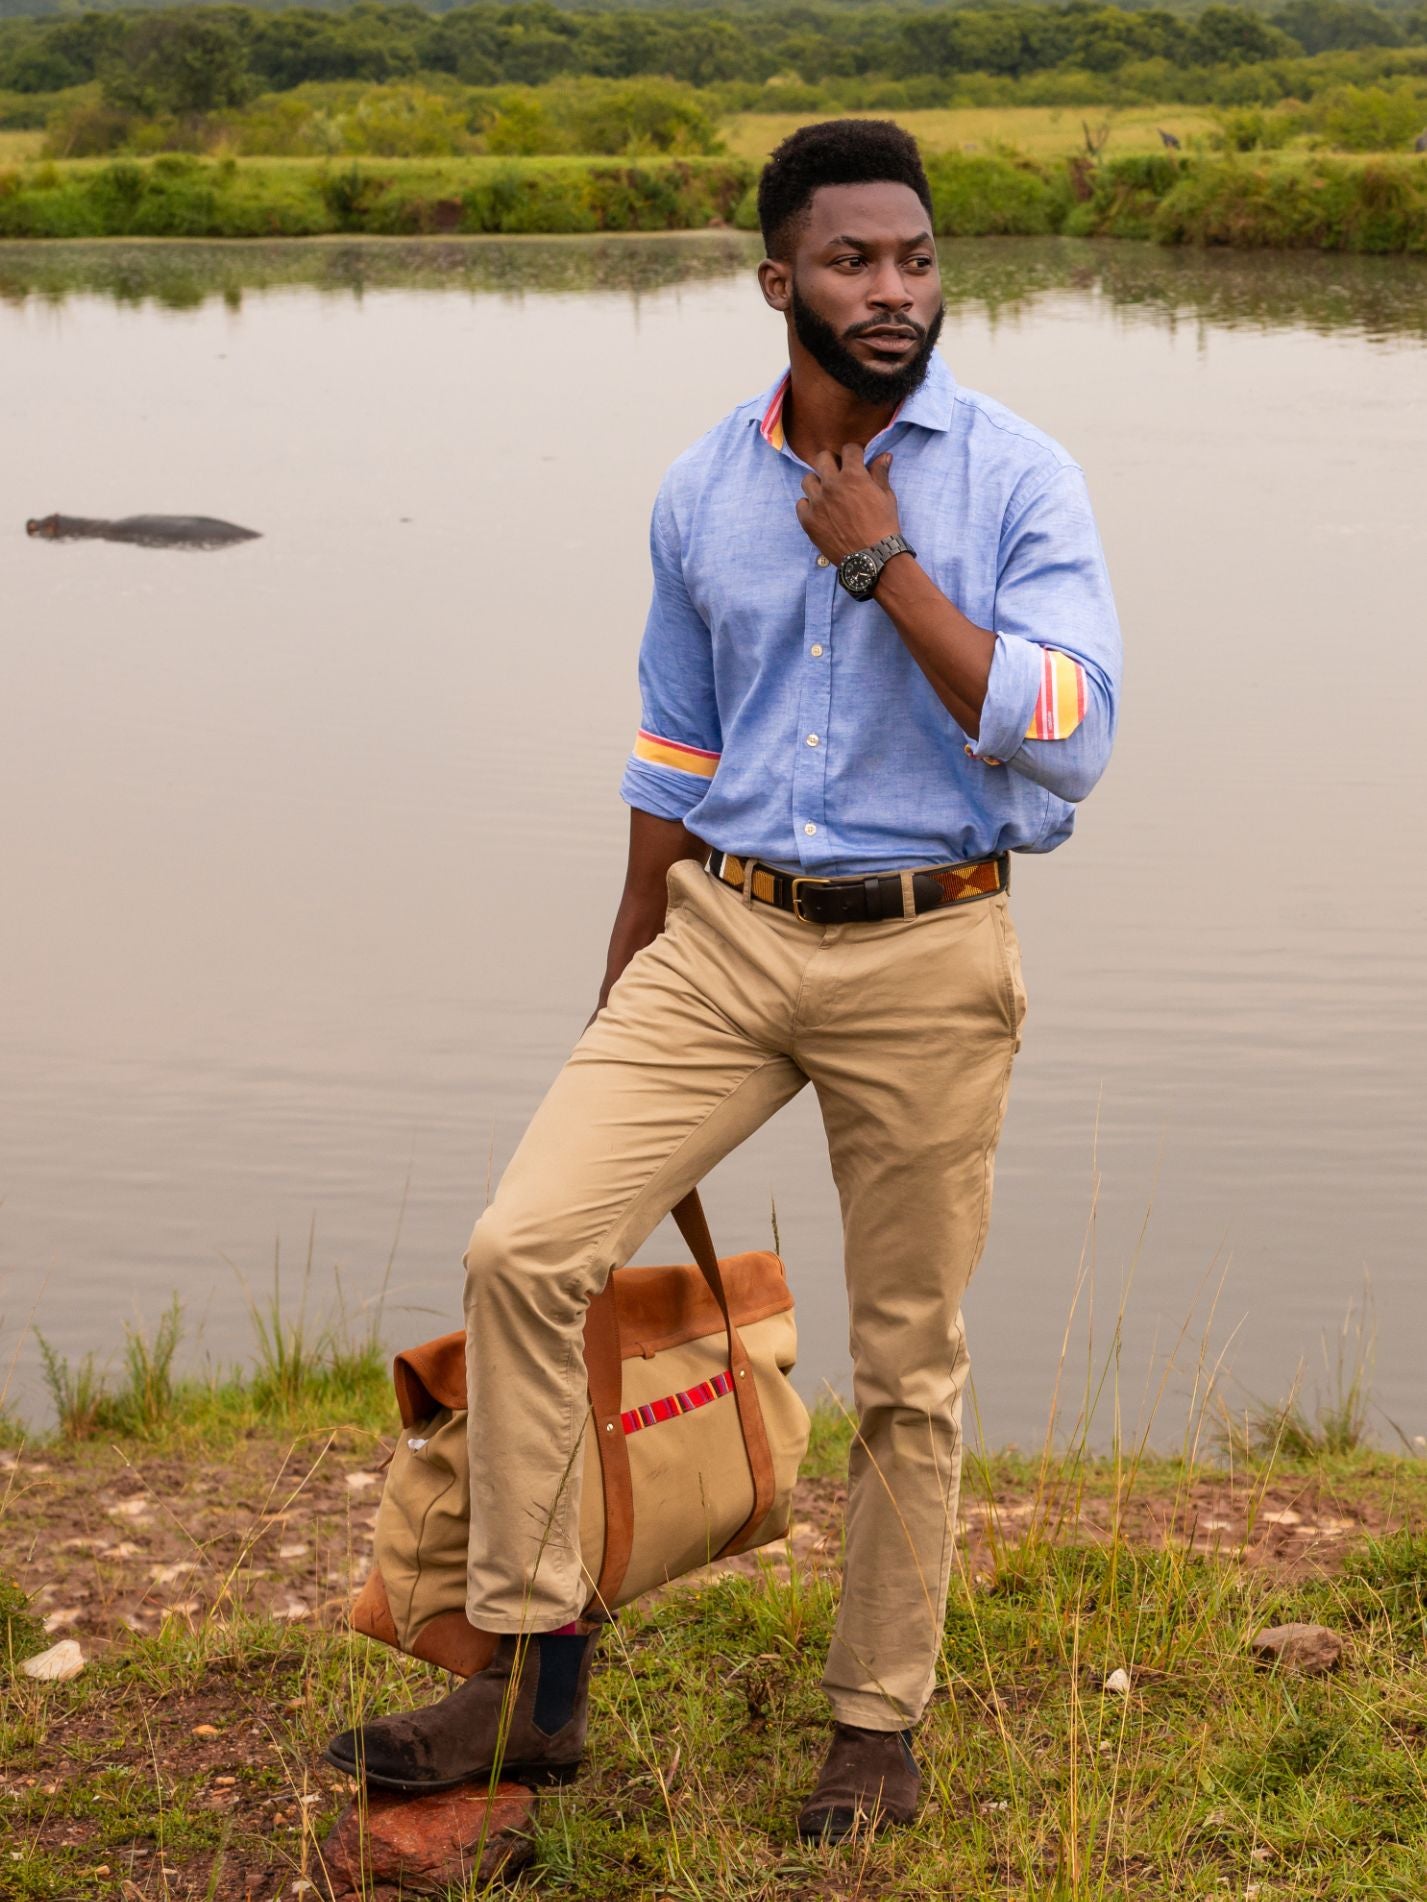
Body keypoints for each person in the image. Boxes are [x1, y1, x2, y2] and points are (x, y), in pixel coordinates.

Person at [326, 118, 1122, 1842]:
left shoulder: (1016, 476)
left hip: (930, 940)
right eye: (853, 261)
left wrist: (879, 555)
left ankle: (873, 1727)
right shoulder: (700, 485)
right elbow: (677, 743)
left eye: (915, 259)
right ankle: (531, 1672)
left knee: (909, 1361)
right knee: (525, 1248)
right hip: (724, 934)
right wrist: (632, 948)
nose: (893, 290)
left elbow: (1075, 734)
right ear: (779, 282)